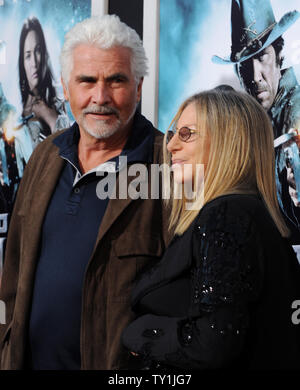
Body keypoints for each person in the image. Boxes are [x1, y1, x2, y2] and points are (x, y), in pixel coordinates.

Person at [0, 15, 170, 370]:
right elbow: (12, 276)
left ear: (139, 86)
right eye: (87, 80)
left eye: (116, 80)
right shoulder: (46, 156)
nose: (100, 97)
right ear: (65, 86)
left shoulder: (167, 168)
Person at [122, 89, 300, 369]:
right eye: (173, 134)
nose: (170, 147)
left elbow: (214, 341)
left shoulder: (227, 215)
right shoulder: (241, 213)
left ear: (227, 142)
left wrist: (138, 333)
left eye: (187, 134)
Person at [212, 0, 300, 245]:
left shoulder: (296, 116)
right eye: (244, 64)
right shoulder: (249, 124)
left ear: (280, 57)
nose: (254, 76)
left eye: (262, 57)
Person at [18, 16, 69, 147]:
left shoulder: (59, 102)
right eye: (28, 55)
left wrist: (50, 117)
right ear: (22, 62)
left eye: (38, 51)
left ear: (44, 53)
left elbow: (69, 153)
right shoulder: (18, 113)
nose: (34, 63)